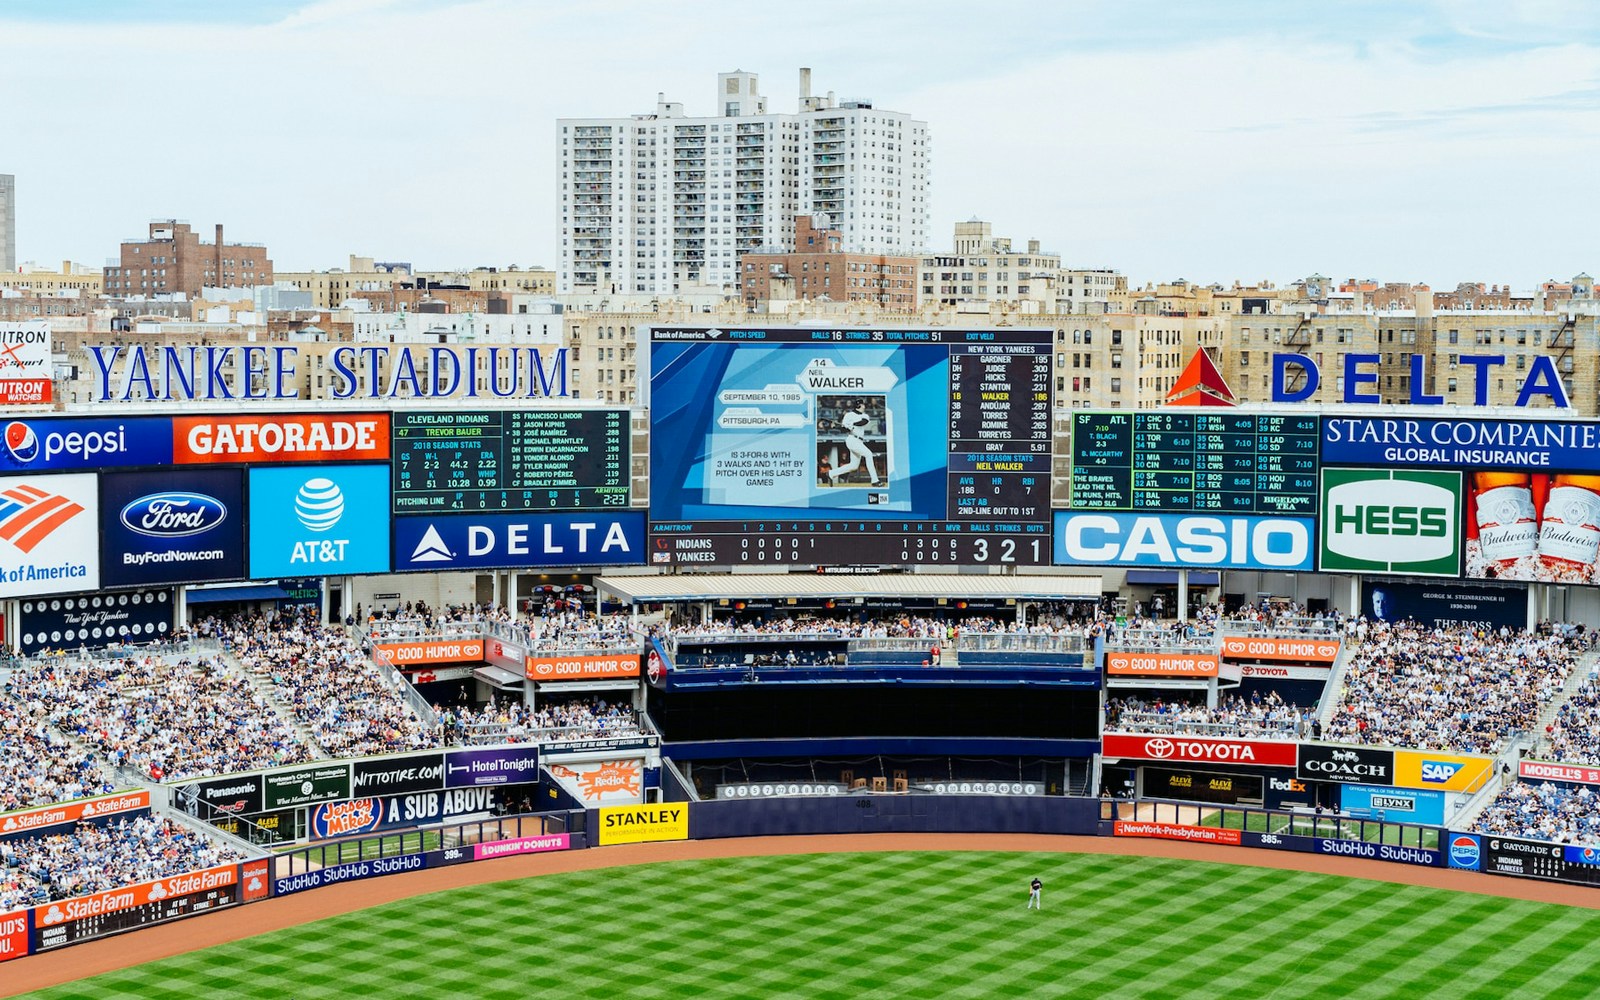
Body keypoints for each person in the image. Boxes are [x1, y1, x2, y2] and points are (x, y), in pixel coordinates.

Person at [828, 399, 883, 487]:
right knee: (868, 454)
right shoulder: (848, 415)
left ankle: (832, 473)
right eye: (862, 405)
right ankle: (875, 480)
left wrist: (852, 424)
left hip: (859, 441)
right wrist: (843, 427)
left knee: (854, 466)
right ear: (858, 406)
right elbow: (843, 430)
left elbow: (863, 422)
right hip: (852, 439)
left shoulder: (865, 415)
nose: (864, 406)